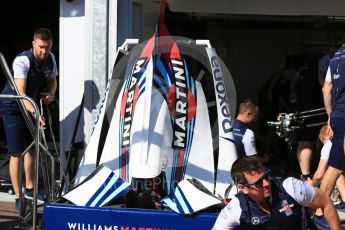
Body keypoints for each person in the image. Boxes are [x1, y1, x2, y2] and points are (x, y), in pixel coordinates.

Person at [0, 28, 58, 210]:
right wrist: (36, 113)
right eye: (41, 47)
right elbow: (20, 93)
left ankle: (30, 190)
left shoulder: (51, 59)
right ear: (33, 43)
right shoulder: (22, 60)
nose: (44, 51)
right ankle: (19, 198)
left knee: (32, 148)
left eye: (47, 47)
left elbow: (52, 80)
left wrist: (51, 93)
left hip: (30, 104)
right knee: (16, 152)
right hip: (13, 105)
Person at [212, 157, 340, 230]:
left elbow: (325, 202)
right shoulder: (236, 206)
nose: (266, 184)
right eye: (258, 183)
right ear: (243, 188)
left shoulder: (291, 187)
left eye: (266, 177)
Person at [317, 43, 345, 228]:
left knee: (336, 164)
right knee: (336, 165)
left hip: (338, 114)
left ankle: (319, 211)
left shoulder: (335, 57)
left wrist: (330, 116)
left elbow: (326, 90)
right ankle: (319, 211)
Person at [290, 53, 326, 181]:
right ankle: (306, 175)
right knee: (308, 141)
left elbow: (292, 88)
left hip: (301, 109)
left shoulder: (301, 71)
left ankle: (303, 173)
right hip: (314, 109)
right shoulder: (319, 72)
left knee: (302, 141)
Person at [306, 125, 345, 228]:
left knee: (333, 170)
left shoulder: (329, 144)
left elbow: (319, 174)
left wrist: (312, 184)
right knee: (337, 170)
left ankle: (319, 214)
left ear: (323, 138)